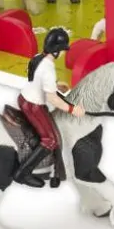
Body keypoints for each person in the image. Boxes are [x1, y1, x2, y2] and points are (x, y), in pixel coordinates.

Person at [15, 28, 83, 188]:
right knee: (50, 140)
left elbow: (36, 80)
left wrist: (55, 86)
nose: (63, 53)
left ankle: (54, 171)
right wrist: (73, 109)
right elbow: (52, 99)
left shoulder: (37, 57)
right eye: (63, 50)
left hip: (23, 97)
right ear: (57, 51)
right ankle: (22, 173)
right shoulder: (49, 67)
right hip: (33, 105)